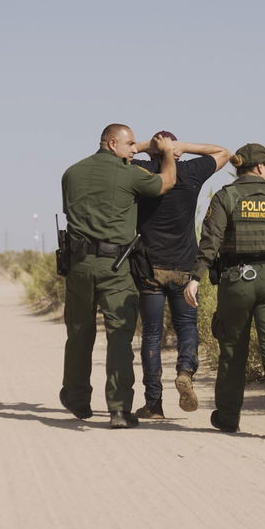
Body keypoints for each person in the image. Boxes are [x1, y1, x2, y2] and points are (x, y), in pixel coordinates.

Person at [184, 143, 265, 439]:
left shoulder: (225, 197)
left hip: (236, 279)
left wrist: (196, 277)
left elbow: (210, 241)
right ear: (259, 167)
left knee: (232, 350)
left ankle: (229, 417)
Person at [60, 124, 176, 428]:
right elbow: (166, 183)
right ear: (112, 144)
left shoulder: (71, 173)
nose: (133, 150)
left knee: (79, 333)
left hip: (79, 265)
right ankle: (119, 409)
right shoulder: (129, 174)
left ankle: (76, 397)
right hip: (115, 267)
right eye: (129, 144)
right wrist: (166, 154)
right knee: (120, 336)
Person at [130, 132, 230, 419]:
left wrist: (153, 149)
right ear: (178, 154)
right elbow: (223, 152)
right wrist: (181, 148)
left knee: (151, 334)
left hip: (150, 269)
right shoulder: (189, 172)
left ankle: (154, 403)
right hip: (184, 267)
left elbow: (117, 156)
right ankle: (186, 371)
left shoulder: (144, 173)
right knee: (186, 325)